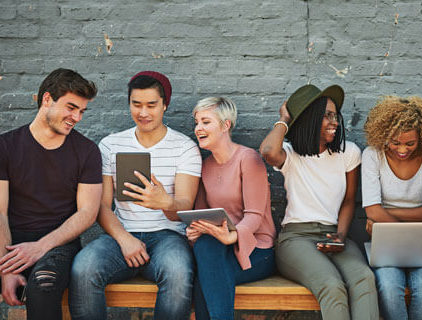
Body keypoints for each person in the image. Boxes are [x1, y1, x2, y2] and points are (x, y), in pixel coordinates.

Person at [69, 71, 201, 320]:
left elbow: (184, 207)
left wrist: (166, 203)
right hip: (121, 234)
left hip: (168, 237)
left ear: (165, 105)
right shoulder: (111, 145)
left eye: (151, 105)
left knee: (178, 272)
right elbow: (102, 206)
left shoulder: (185, 147)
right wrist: (124, 239)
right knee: (83, 268)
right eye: (136, 104)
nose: (143, 112)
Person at [260, 84, 378, 320]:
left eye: (336, 116)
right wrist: (284, 118)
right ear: (311, 119)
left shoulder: (348, 153)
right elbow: (268, 151)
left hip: (334, 234)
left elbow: (348, 201)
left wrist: (341, 236)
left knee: (364, 279)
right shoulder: (291, 154)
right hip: (296, 239)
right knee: (331, 285)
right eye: (327, 116)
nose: (334, 122)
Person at [0, 68, 102, 320]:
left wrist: (39, 248)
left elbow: (88, 213)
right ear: (47, 99)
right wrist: (6, 269)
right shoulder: (5, 146)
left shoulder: (87, 151)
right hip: (8, 242)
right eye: (71, 108)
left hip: (58, 246)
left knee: (44, 285)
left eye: (81, 111)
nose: (76, 117)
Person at [187, 97, 276, 320]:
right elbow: (201, 214)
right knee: (206, 247)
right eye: (196, 122)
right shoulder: (205, 165)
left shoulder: (248, 159)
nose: (198, 128)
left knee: (206, 278)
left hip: (257, 249)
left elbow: (255, 216)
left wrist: (232, 236)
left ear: (226, 125)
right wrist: (195, 230)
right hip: (218, 250)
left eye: (206, 122)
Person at [361, 96, 422, 320]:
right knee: (389, 290)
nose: (402, 149)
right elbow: (371, 211)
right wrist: (380, 215)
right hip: (386, 246)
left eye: (410, 143)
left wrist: (385, 216)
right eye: (395, 142)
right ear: (383, 135)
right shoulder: (373, 155)